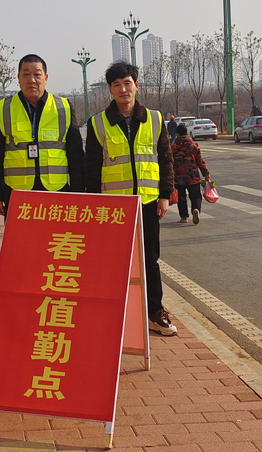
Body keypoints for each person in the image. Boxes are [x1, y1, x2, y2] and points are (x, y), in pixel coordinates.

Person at [84, 61, 177, 336]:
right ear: (110, 90)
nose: (123, 89)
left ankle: (155, 311)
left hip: (147, 204)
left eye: (128, 83)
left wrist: (164, 195)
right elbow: (92, 167)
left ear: (137, 85)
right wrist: (93, 203)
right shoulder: (98, 123)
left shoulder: (155, 119)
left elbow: (165, 158)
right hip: (113, 208)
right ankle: (114, 313)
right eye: (117, 85)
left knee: (150, 259)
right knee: (114, 262)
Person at [0, 54, 83, 215]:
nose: (32, 80)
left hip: (57, 191)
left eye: (37, 74)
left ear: (46, 77)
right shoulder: (4, 108)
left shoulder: (63, 107)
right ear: (18, 78)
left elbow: (76, 156)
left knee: (56, 239)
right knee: (21, 240)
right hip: (17, 193)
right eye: (26, 74)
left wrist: (78, 193)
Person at [172, 125, 210, 224]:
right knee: (196, 195)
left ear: (177, 134)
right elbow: (200, 161)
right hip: (193, 176)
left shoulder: (173, 147)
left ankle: (184, 216)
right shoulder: (194, 145)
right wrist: (206, 173)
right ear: (187, 133)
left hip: (179, 176)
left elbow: (169, 162)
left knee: (181, 197)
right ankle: (196, 209)